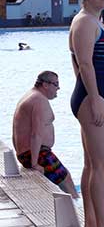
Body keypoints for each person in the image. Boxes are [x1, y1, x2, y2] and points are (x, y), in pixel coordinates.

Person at [69, 0, 104, 227]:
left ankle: (91, 222)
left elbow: (98, 65)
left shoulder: (95, 21)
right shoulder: (85, 22)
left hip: (97, 98)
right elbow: (84, 64)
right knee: (103, 164)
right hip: (91, 99)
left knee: (92, 164)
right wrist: (96, 99)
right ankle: (103, 223)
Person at [12, 71, 78, 199]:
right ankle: (79, 214)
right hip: (37, 154)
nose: (58, 88)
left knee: (65, 180)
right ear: (45, 85)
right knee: (67, 182)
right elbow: (36, 134)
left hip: (29, 153)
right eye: (56, 84)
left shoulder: (31, 96)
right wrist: (35, 163)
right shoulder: (38, 100)